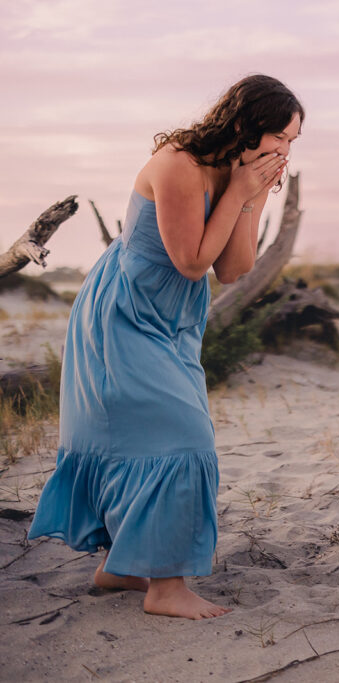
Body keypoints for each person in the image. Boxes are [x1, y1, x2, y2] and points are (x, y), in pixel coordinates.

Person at [28, 74, 303, 619]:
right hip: (124, 312)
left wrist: (246, 198)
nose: (285, 152)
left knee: (158, 435)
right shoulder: (179, 163)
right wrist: (241, 193)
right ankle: (166, 589)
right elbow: (192, 261)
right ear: (248, 126)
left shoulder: (234, 175)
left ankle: (123, 566)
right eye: (281, 137)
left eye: (293, 142)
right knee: (182, 438)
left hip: (173, 319)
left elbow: (233, 270)